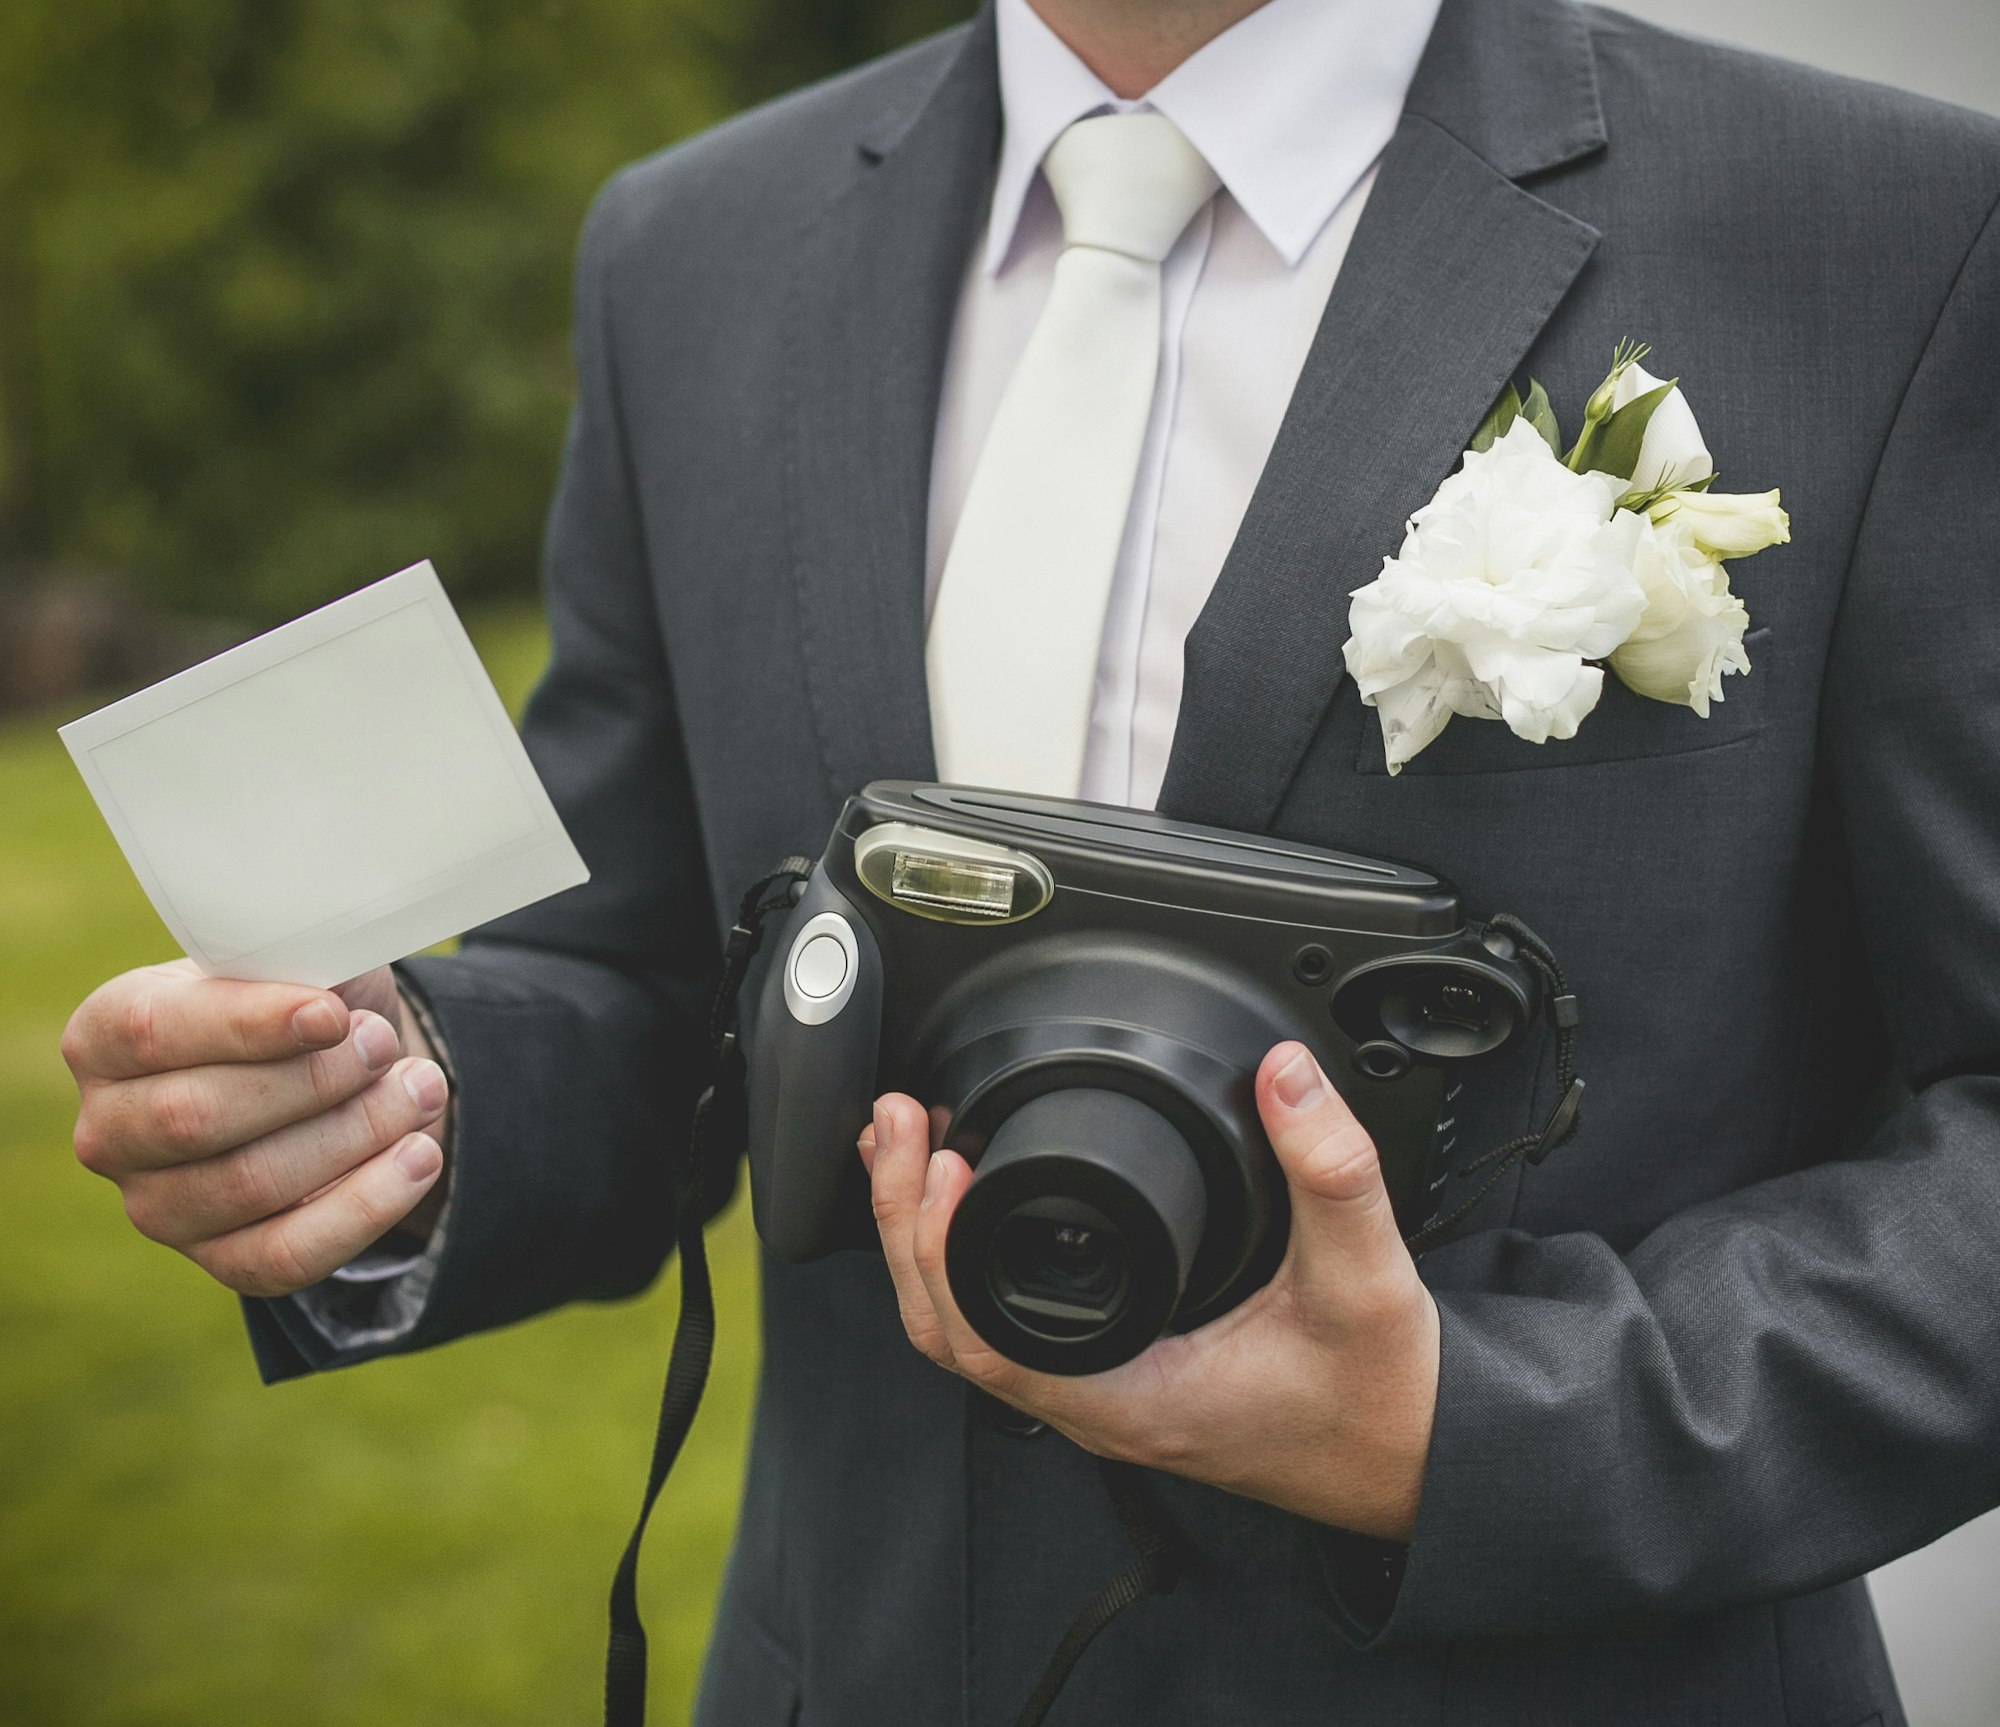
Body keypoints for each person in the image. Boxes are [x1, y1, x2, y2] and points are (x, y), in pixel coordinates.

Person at [60, 0, 2000, 1720]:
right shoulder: (693, 247)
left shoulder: (1881, 234)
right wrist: (394, 1110)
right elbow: (666, 979)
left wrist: (1467, 1434)